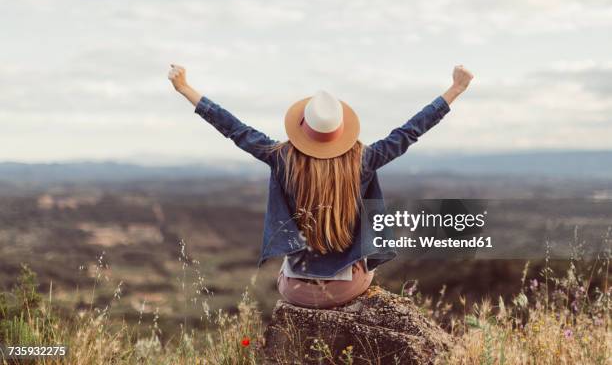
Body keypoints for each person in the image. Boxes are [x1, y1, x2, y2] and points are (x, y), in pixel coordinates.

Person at [168, 64, 473, 308]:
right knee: (367, 269)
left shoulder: (281, 158)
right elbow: (409, 131)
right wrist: (455, 89)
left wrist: (185, 88)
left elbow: (234, 128)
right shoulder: (364, 160)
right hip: (347, 289)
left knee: (285, 272)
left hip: (296, 290)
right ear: (341, 132)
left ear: (302, 127)